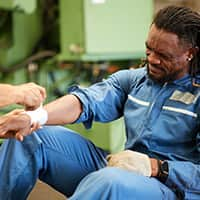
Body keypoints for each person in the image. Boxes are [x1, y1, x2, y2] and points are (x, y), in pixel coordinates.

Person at [0, 5, 200, 199]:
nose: (152, 60)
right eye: (149, 50)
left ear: (191, 53)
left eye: (163, 56)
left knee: (110, 182)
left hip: (169, 188)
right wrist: (33, 117)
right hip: (123, 169)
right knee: (31, 135)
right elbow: (86, 101)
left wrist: (156, 167)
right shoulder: (137, 80)